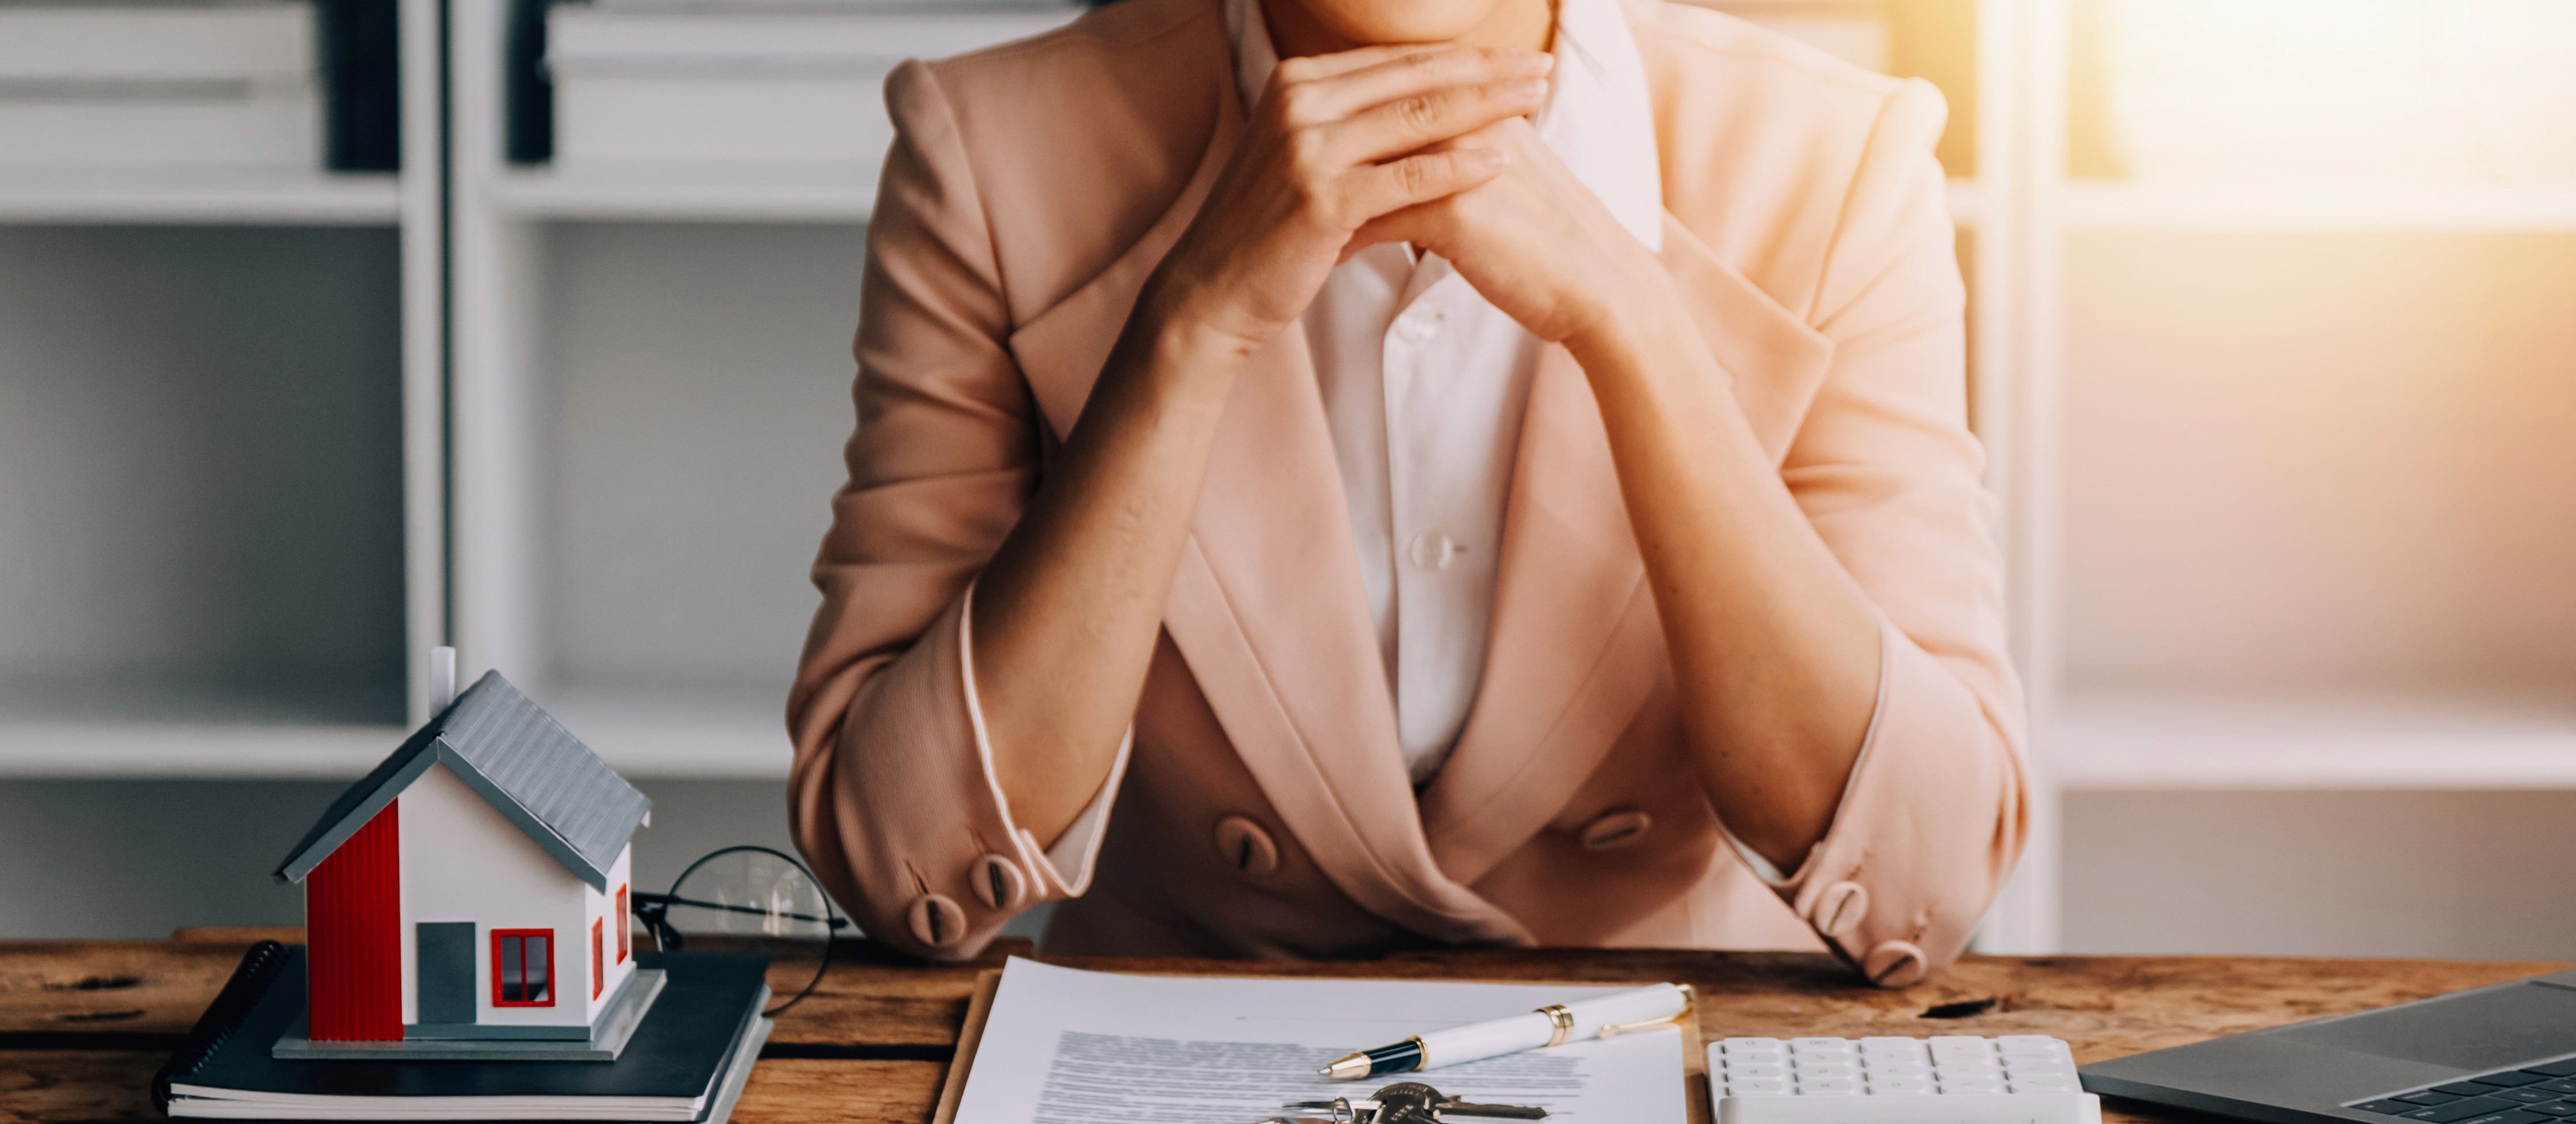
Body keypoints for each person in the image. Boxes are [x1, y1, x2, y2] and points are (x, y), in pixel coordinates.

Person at [788, 0, 2025, 987]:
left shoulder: (1834, 161)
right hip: (1173, 1117)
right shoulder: (986, 148)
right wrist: (1192, 319)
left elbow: (1926, 871)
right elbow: (904, 862)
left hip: (1686, 1085)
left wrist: (1632, 321)